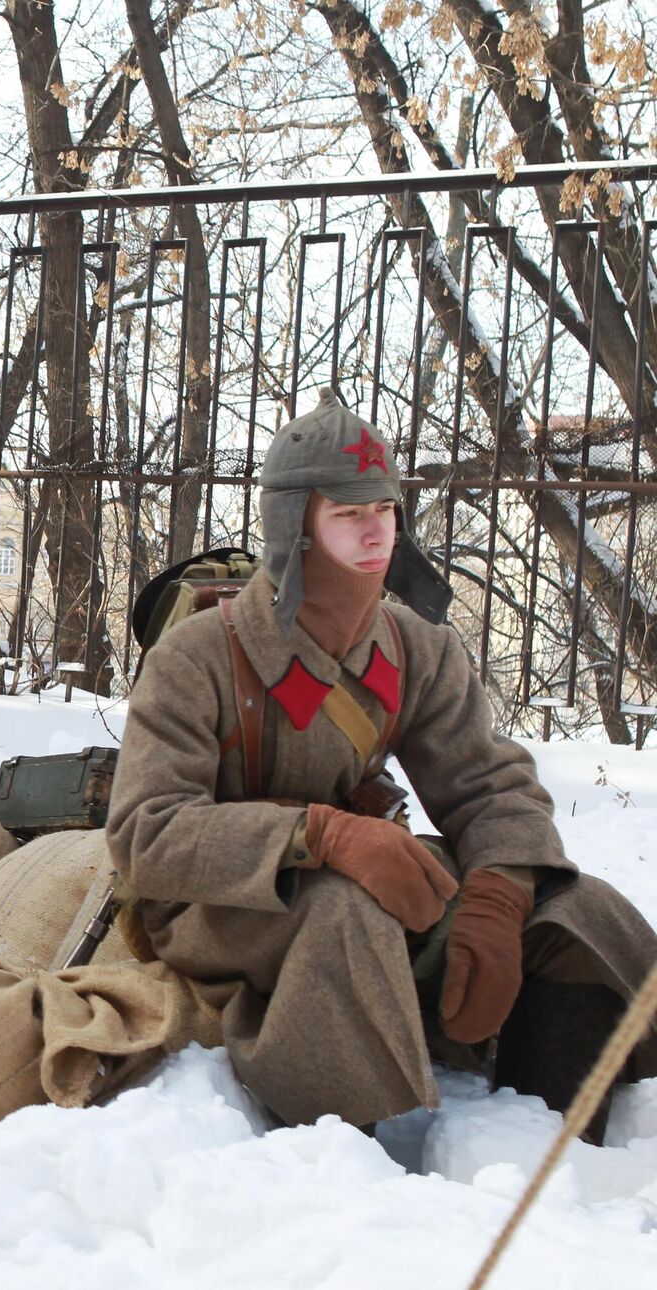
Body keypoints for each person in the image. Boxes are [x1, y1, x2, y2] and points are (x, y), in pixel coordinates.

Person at [105, 389, 657, 1140]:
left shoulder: (414, 647)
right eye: (348, 513)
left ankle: (552, 1137)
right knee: (343, 912)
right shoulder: (198, 658)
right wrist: (322, 837)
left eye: (385, 511)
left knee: (576, 910)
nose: (375, 533)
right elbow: (146, 838)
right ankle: (364, 1153)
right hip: (219, 900)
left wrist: (497, 896)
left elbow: (490, 786)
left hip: (370, 871)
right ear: (294, 526)